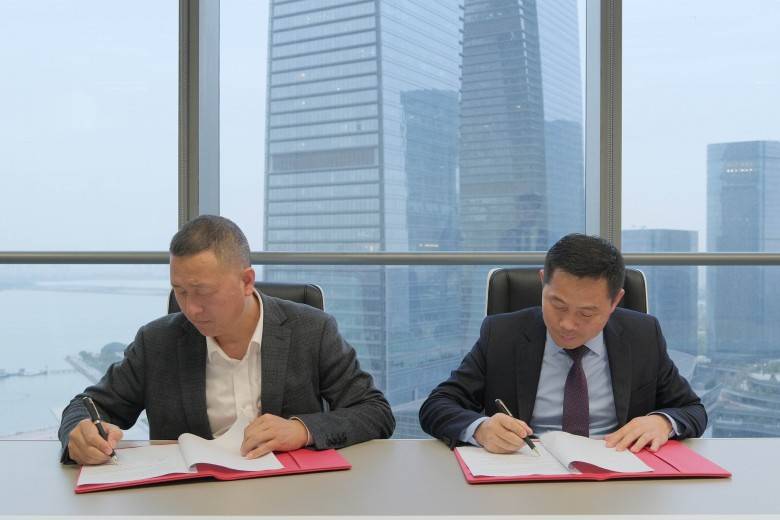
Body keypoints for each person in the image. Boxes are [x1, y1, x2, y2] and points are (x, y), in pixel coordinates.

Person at [59, 215, 394, 464]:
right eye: (180, 291)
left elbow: (375, 412)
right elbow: (87, 406)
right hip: (190, 502)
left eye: (203, 292)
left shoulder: (312, 330)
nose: (191, 308)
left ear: (246, 281)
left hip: (291, 497)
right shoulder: (157, 341)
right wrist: (80, 432)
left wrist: (301, 429)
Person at [419, 233, 706, 454]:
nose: (567, 324)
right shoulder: (502, 334)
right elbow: (437, 405)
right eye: (557, 304)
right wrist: (481, 429)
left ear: (615, 301)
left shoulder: (642, 335)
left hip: (617, 475)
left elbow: (692, 409)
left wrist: (662, 422)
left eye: (586, 313)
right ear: (542, 282)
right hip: (526, 471)